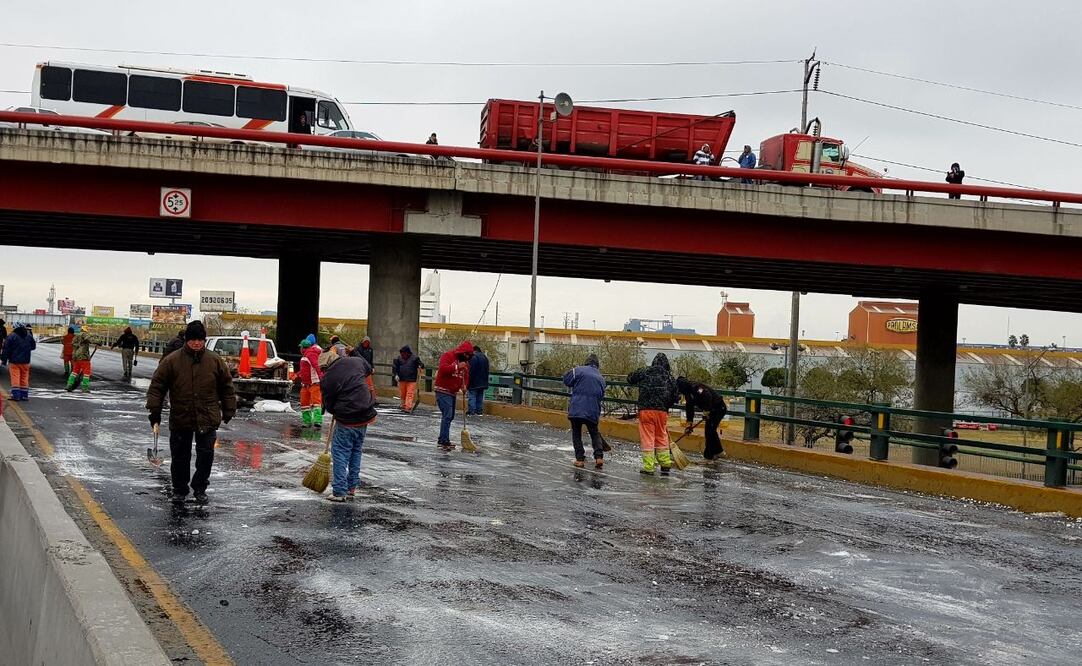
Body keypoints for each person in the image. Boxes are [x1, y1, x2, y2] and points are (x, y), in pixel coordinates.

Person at [145, 320, 236, 504]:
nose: (196, 343)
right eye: (193, 339)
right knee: (180, 456)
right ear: (187, 339)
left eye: (200, 339)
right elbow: (157, 387)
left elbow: (226, 387)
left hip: (207, 416)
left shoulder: (215, 360)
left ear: (204, 340)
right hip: (181, 415)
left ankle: (200, 488)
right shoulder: (172, 360)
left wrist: (228, 409)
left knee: (206, 455)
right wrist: (155, 410)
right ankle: (180, 489)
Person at [321, 354, 378, 502]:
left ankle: (339, 491)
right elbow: (369, 369)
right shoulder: (356, 361)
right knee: (355, 450)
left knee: (340, 452)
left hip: (347, 418)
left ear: (326, 366)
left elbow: (328, 403)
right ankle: (351, 487)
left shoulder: (328, 378)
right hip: (365, 414)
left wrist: (334, 409)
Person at [627, 353, 678, 475]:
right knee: (661, 435)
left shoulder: (645, 372)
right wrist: (667, 404)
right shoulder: (669, 377)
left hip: (646, 410)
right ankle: (665, 463)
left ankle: (649, 467)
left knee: (648, 437)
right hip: (662, 411)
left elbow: (630, 378)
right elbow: (676, 397)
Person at [563, 353, 606, 469]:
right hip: (592, 410)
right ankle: (599, 457)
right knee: (594, 433)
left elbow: (566, 380)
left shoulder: (578, 370)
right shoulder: (601, 378)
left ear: (586, 362)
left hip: (577, 408)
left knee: (577, 433)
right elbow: (601, 395)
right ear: (597, 365)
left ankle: (580, 459)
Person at [434, 340, 473, 450]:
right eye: (466, 355)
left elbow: (466, 377)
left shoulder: (466, 364)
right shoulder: (448, 356)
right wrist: (457, 367)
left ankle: (443, 438)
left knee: (450, 416)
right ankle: (443, 440)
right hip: (442, 390)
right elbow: (443, 369)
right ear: (462, 352)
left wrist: (464, 386)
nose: (467, 358)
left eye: (469, 356)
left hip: (452, 392)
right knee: (447, 414)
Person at [677, 376, 729, 460]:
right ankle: (719, 452)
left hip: (718, 408)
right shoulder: (688, 395)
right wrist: (689, 423)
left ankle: (709, 457)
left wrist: (706, 410)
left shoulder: (696, 387)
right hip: (712, 410)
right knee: (711, 431)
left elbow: (708, 396)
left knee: (709, 432)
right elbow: (689, 408)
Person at [1, 322, 36, 401]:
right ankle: (24, 395)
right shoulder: (29, 336)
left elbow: (6, 349)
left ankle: (16, 395)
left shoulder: (11, 336)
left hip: (14, 361)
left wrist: (4, 361)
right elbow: (33, 347)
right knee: (24, 377)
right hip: (26, 361)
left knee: (15, 377)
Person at [297, 337, 324, 429]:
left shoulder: (310, 354)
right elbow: (305, 370)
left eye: (300, 347)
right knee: (304, 404)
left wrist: (321, 378)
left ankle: (317, 421)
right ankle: (307, 421)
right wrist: (297, 375)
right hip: (306, 384)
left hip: (314, 383)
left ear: (303, 348)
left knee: (316, 403)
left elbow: (316, 366)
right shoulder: (306, 355)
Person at [392, 345, 424, 412]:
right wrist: (396, 375)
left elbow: (421, 364)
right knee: (403, 393)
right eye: (401, 353)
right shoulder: (399, 358)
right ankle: (403, 405)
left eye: (403, 353)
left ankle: (408, 406)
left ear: (407, 353)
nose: (402, 354)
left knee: (409, 393)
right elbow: (395, 368)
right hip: (402, 378)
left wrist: (420, 366)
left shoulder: (415, 358)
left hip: (411, 379)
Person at [66, 325, 95, 392]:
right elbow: (89, 339)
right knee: (86, 372)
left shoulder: (76, 336)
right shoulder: (84, 334)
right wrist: (98, 342)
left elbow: (73, 344)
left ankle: (69, 385)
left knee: (75, 371)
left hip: (76, 356)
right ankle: (85, 388)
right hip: (84, 356)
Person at [467, 345, 490, 415]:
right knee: (480, 396)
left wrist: (468, 381)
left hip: (474, 381)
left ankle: (471, 411)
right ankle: (479, 411)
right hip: (483, 381)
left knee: (472, 395)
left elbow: (471, 370)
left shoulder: (473, 357)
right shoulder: (485, 358)